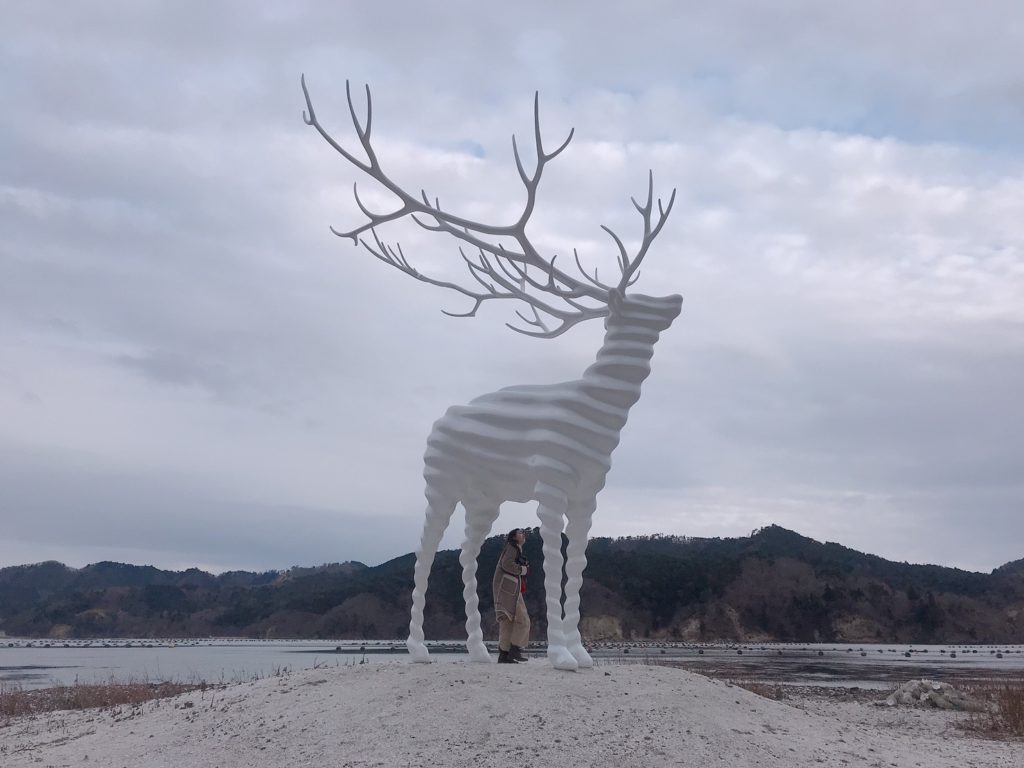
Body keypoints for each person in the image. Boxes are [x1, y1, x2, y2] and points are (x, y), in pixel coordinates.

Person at [492, 528, 531, 663]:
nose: (523, 534)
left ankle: (504, 654)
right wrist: (523, 569)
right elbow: (507, 564)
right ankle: (515, 648)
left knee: (507, 621)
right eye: (520, 533)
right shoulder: (513, 547)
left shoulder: (511, 548)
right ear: (513, 537)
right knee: (523, 620)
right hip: (510, 589)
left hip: (502, 589)